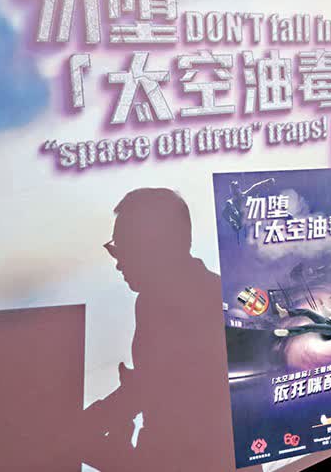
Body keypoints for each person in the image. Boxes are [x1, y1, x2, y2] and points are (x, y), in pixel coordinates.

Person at [83, 188, 234, 471]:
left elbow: (155, 388)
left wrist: (86, 423)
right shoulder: (214, 291)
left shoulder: (167, 301)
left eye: (123, 249)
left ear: (154, 247)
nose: (118, 263)